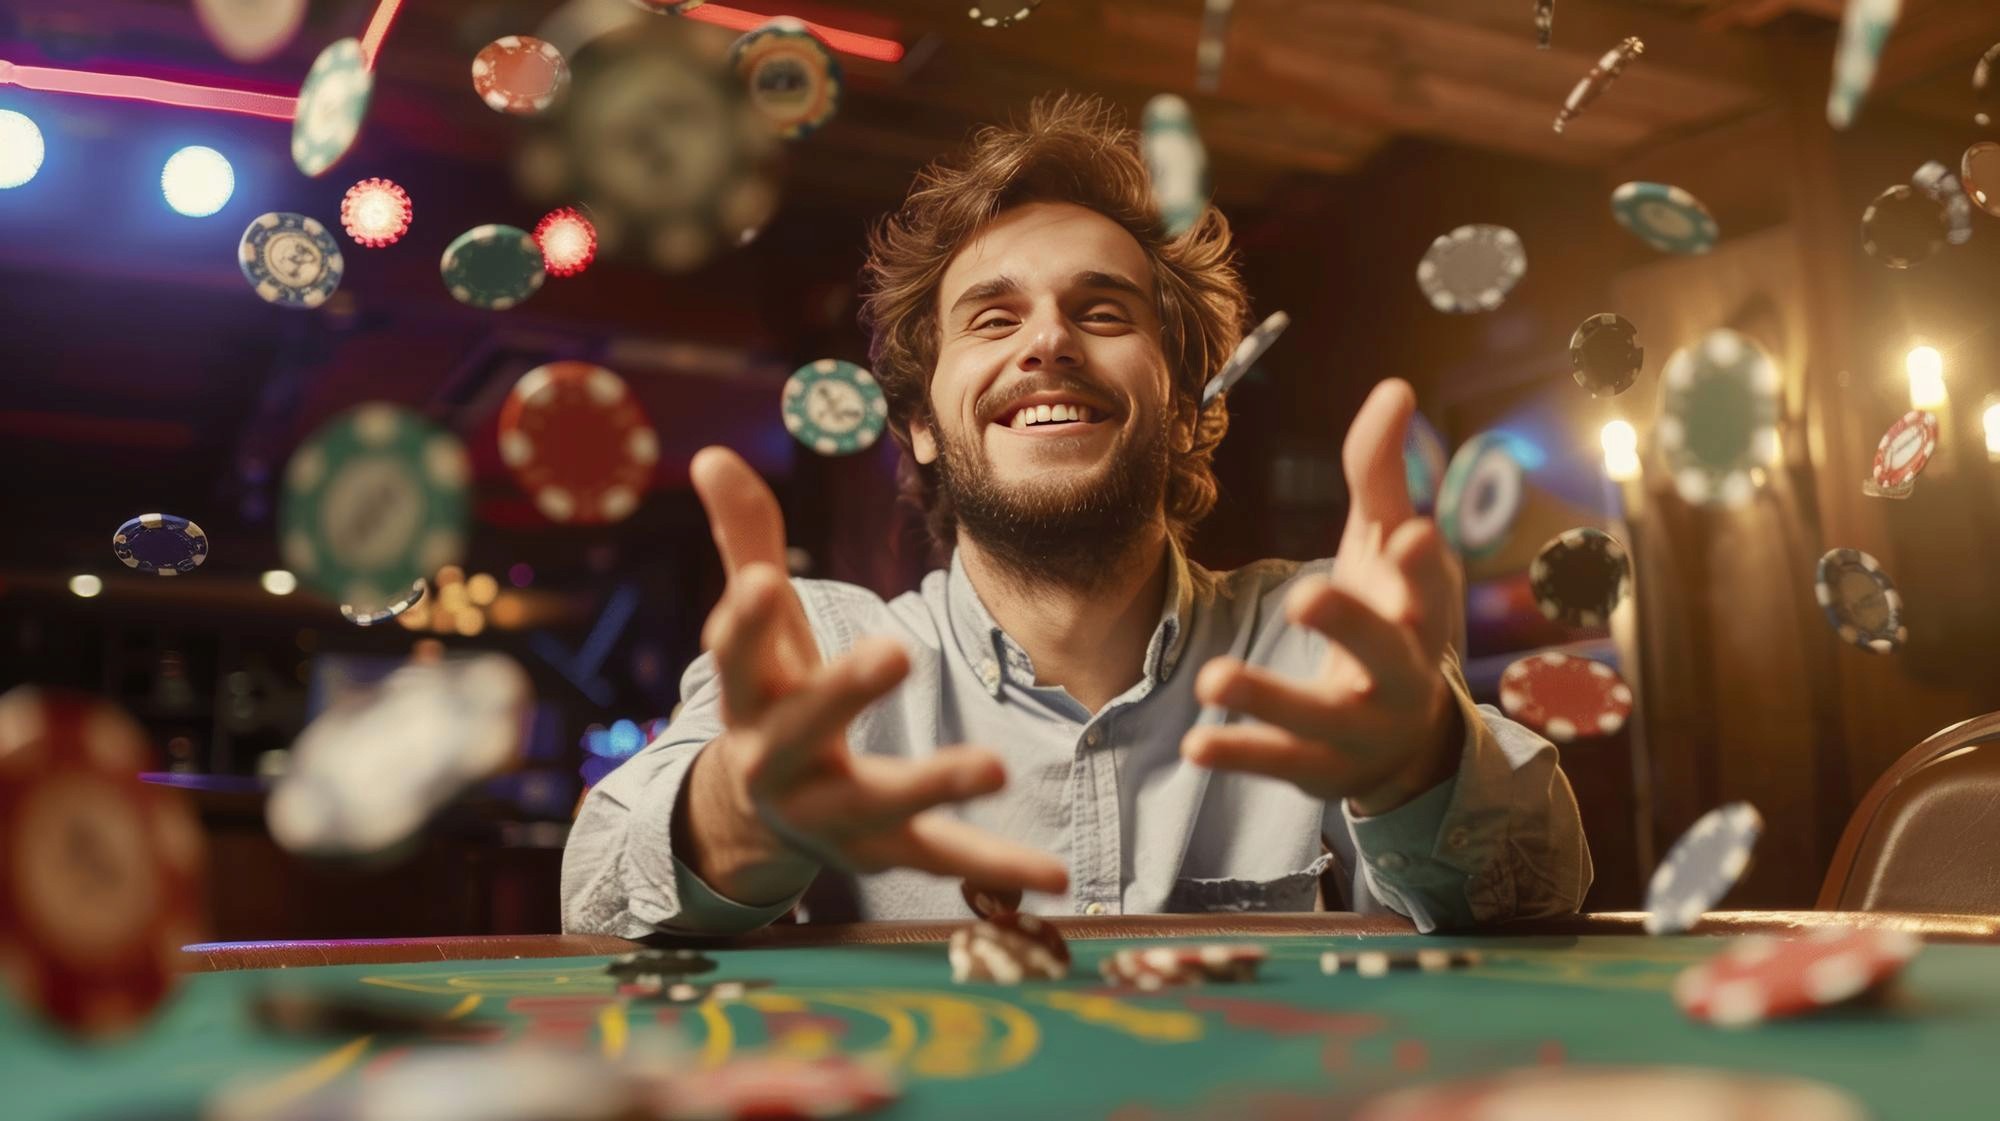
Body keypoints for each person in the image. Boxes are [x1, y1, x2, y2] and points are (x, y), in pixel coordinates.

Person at [562, 94, 1591, 937]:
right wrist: (734, 813)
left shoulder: (1317, 635)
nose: (1046, 340)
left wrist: (1418, 762)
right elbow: (592, 906)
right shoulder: (816, 653)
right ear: (921, 422)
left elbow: (1538, 893)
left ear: (1188, 407)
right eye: (993, 317)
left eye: (1101, 310)